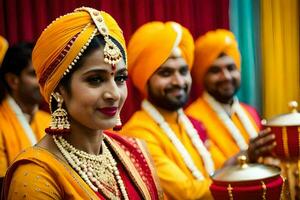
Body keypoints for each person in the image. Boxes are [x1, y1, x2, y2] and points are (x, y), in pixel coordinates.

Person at [2, 7, 163, 199]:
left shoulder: (135, 153)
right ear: (59, 88)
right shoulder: (36, 176)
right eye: (95, 79)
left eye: (120, 78)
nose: (114, 94)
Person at [121, 21, 227, 200]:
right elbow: (187, 194)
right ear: (145, 78)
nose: (179, 81)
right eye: (166, 73)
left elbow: (221, 169)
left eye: (183, 71)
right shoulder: (137, 134)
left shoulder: (192, 125)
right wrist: (241, 185)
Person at [186, 29, 276, 162]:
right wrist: (247, 156)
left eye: (231, 68)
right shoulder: (192, 120)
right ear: (201, 76)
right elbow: (209, 175)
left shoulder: (250, 112)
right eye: (215, 70)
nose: (226, 77)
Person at [0, 41, 51, 176]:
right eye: (34, 74)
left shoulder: (50, 121)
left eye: (44, 73)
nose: (43, 81)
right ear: (12, 80)